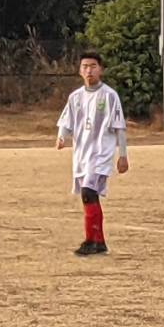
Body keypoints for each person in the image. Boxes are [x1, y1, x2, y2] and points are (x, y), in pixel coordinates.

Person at [56, 51, 129, 255]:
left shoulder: (109, 95)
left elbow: (119, 127)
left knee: (88, 192)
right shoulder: (75, 97)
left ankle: (91, 240)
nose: (89, 70)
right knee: (89, 196)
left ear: (100, 69)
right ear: (80, 71)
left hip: (100, 154)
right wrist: (61, 137)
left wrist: (123, 155)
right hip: (82, 155)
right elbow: (66, 121)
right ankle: (99, 241)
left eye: (93, 66)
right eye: (85, 67)